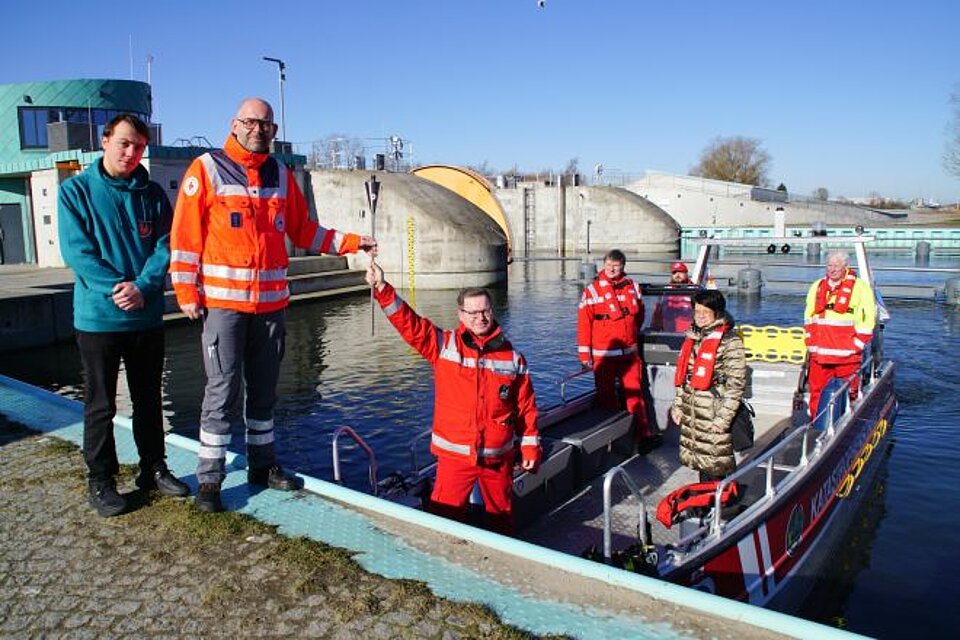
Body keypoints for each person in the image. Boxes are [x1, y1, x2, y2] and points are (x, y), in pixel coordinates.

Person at [170, 98, 376, 513]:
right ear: (234, 124)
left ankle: (262, 467)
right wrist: (187, 294)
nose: (258, 129)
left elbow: (303, 230)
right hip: (224, 308)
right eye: (251, 122)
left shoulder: (281, 175)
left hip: (270, 308)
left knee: (264, 393)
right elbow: (185, 237)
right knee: (222, 391)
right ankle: (210, 481)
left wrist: (354, 243)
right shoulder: (206, 170)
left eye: (266, 124)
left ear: (274, 130)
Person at [58, 114, 190, 517]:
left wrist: (144, 286)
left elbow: (166, 246)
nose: (131, 153)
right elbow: (78, 253)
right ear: (105, 141)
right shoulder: (76, 191)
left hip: (145, 318)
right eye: (124, 144)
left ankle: (152, 467)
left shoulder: (150, 193)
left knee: (149, 399)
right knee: (101, 404)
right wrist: (119, 288)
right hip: (99, 319)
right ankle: (100, 479)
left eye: (139, 148)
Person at [365, 262, 540, 533]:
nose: (480, 318)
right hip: (455, 458)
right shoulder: (444, 346)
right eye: (472, 312)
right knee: (444, 521)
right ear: (460, 314)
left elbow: (526, 407)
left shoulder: (513, 358)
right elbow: (410, 325)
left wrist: (530, 448)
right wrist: (382, 288)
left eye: (485, 311)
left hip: (497, 458)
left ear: (492, 311)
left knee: (502, 520)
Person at [577, 249, 658, 449]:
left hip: (629, 354)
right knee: (606, 398)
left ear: (623, 267)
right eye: (609, 265)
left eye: (617, 265)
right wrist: (584, 355)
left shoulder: (633, 287)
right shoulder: (592, 291)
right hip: (603, 355)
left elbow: (639, 316)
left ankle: (643, 437)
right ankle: (611, 443)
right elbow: (584, 324)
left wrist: (631, 335)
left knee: (636, 396)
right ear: (603, 265)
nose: (612, 269)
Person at [670, 290, 746, 481]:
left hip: (714, 412)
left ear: (717, 312)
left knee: (718, 464)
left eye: (706, 311)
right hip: (694, 413)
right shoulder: (693, 338)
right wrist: (678, 405)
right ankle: (706, 503)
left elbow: (736, 386)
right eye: (697, 311)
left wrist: (724, 419)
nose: (700, 316)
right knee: (701, 462)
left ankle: (724, 504)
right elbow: (684, 377)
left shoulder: (730, 341)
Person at [803, 250, 876, 420]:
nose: (832, 269)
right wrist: (810, 343)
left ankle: (847, 422)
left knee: (849, 392)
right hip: (819, 356)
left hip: (847, 356)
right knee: (817, 393)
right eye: (829, 265)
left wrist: (857, 345)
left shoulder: (860, 288)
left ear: (845, 267)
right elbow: (808, 316)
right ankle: (816, 425)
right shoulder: (817, 286)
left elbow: (868, 320)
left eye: (836, 265)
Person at [651, 261, 694, 332]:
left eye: (680, 272)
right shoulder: (665, 291)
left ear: (686, 273)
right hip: (668, 333)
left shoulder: (693, 290)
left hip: (688, 334)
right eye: (674, 273)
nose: (677, 275)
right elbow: (657, 313)